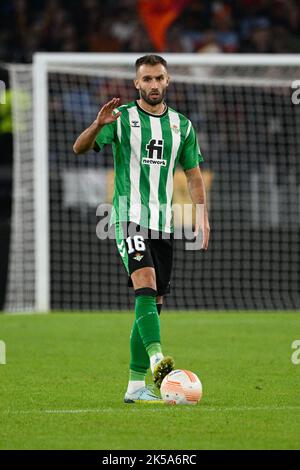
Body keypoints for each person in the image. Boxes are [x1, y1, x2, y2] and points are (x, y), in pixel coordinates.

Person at [73, 54, 210, 403]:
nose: (152, 84)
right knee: (145, 281)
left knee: (154, 300)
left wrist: (202, 216)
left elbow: (193, 174)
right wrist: (97, 123)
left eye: (158, 78)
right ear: (136, 83)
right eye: (146, 79)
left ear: (168, 81)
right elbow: (79, 148)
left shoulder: (183, 125)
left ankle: (135, 387)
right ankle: (157, 360)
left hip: (164, 223)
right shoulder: (120, 119)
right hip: (127, 216)